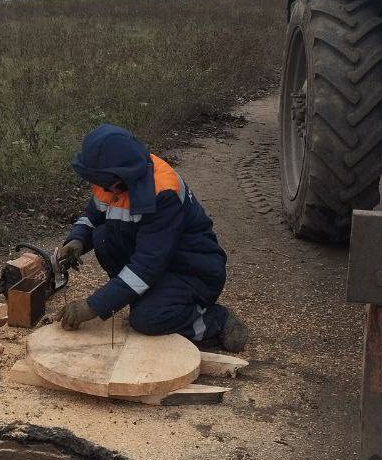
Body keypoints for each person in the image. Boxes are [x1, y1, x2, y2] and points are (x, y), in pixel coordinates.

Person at [55, 123, 247, 351]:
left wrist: (92, 307)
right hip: (160, 261)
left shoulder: (162, 194)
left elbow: (146, 266)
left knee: (147, 319)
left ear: (118, 176)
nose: (96, 185)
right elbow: (92, 215)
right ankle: (144, 298)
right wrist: (77, 239)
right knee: (103, 237)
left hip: (192, 271)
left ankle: (214, 321)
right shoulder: (113, 179)